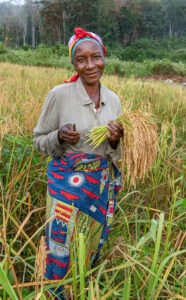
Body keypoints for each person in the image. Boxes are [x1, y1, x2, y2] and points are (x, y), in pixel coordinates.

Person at [33, 27, 123, 299]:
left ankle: (80, 288)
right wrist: (59, 137)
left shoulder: (114, 100)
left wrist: (116, 141)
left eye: (95, 57)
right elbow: (38, 141)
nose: (89, 65)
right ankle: (56, 293)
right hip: (66, 187)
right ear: (73, 64)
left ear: (104, 58)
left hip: (98, 187)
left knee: (87, 246)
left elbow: (115, 154)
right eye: (81, 59)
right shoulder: (59, 95)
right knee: (61, 247)